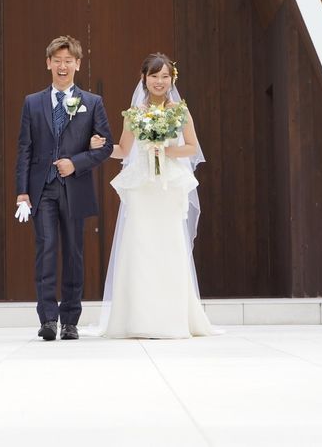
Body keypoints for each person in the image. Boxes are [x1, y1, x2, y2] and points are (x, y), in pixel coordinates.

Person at [91, 53, 215, 338]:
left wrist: (167, 150)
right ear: (144, 78)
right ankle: (139, 320)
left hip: (168, 186)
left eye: (165, 76)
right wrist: (101, 147)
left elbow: (192, 147)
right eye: (154, 76)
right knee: (140, 246)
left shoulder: (180, 111)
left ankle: (171, 320)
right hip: (143, 187)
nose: (160, 81)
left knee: (169, 246)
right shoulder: (134, 113)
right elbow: (123, 150)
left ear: (172, 79)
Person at [15, 35, 113, 341]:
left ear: (77, 64)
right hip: (42, 189)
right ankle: (48, 318)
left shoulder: (92, 103)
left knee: (73, 253)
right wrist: (22, 191)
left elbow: (106, 146)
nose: (62, 66)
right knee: (45, 250)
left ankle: (70, 320)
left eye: (68, 61)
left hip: (75, 187)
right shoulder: (32, 102)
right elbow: (24, 149)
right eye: (57, 60)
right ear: (48, 63)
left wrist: (77, 162)